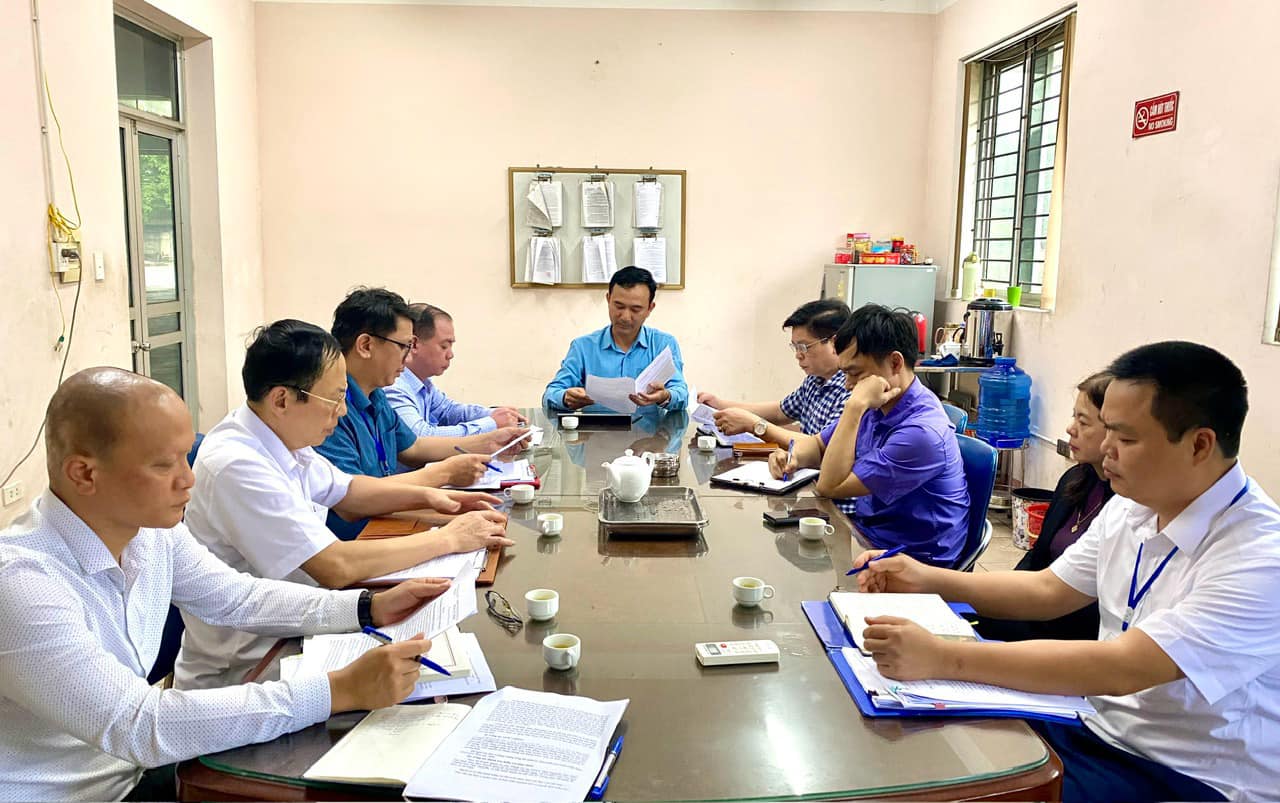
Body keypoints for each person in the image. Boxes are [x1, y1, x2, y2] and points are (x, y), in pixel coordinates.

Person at [0, 368, 454, 801]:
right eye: (164, 465)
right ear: (84, 474)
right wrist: (340, 690)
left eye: (185, 456)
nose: (188, 479)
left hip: (134, 772)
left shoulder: (150, 533)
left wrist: (366, 607)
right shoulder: (21, 583)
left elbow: (237, 597)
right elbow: (139, 725)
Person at [852, 341, 1278, 803]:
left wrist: (943, 657)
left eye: (1126, 438)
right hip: (1095, 727)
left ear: (1199, 445)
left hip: (1186, 773)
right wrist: (927, 579)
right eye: (1106, 430)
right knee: (925, 747)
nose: (1106, 448)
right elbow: (1049, 589)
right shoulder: (1133, 507)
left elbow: (1125, 667)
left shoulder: (1259, 557)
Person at [175, 320, 514, 690]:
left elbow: (349, 491)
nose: (341, 412)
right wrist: (448, 539)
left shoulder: (281, 435)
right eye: (334, 399)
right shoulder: (236, 464)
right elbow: (334, 566)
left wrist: (434, 496)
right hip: (252, 668)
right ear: (282, 400)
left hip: (308, 627)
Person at [317, 288, 524, 539]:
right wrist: (444, 473)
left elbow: (413, 447)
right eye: (404, 346)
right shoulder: (328, 407)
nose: (407, 357)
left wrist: (490, 441)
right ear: (366, 345)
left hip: (389, 517)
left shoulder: (375, 394)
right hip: (357, 537)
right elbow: (352, 500)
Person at [770, 304, 968, 566]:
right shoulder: (880, 404)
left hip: (912, 562)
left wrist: (854, 407)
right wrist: (792, 457)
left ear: (895, 363)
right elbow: (818, 445)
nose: (848, 385)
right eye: (845, 373)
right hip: (867, 536)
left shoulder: (921, 433)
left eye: (855, 373)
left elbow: (830, 487)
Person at [978, 372, 1113, 642]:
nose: (1070, 428)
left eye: (1083, 421)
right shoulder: (1075, 480)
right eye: (1074, 417)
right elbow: (1036, 559)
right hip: (1036, 611)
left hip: (1070, 634)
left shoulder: (1127, 506)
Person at [698, 298, 851, 445]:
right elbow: (779, 412)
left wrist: (755, 425)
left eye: (804, 347)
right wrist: (719, 404)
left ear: (835, 343)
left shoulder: (850, 389)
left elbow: (821, 447)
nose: (798, 355)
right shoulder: (815, 380)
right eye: (795, 347)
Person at [542, 266, 689, 413]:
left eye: (635, 309)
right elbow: (550, 394)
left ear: (650, 308)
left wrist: (665, 396)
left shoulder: (663, 344)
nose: (625, 317)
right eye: (619, 306)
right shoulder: (583, 347)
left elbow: (681, 394)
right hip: (596, 427)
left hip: (650, 428)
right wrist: (565, 398)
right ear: (608, 299)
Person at [386, 303, 527, 437]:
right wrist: (492, 423)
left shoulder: (422, 383)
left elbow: (448, 411)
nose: (450, 355)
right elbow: (420, 436)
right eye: (444, 346)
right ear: (414, 344)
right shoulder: (394, 386)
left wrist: (495, 414)